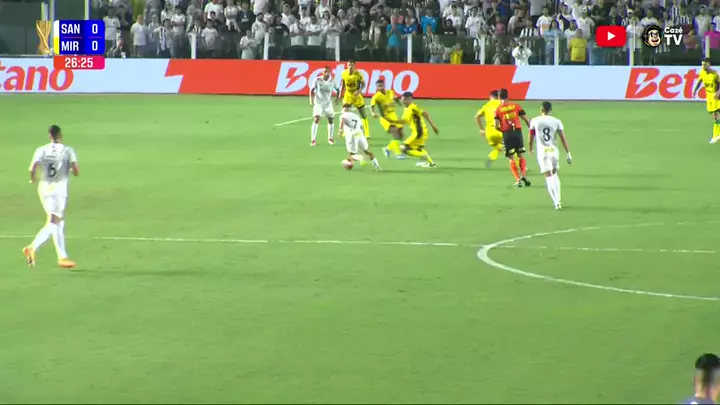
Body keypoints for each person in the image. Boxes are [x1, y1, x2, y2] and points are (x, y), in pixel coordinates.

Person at [23, 125, 79, 269]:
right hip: (59, 191)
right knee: (55, 221)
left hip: (44, 189)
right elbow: (76, 171)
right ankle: (34, 248)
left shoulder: (41, 150)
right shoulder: (68, 150)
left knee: (57, 222)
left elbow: (32, 168)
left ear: (50, 136)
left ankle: (60, 256)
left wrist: (32, 179)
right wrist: (69, 169)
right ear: (60, 135)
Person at [528, 102, 572, 210]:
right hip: (554, 152)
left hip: (543, 152)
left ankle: (556, 201)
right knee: (555, 175)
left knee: (548, 177)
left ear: (541, 110)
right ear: (550, 110)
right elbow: (563, 138)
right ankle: (559, 199)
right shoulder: (557, 121)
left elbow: (531, 136)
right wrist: (568, 153)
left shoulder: (535, 121)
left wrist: (530, 149)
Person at [494, 88, 531, 187]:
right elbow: (526, 120)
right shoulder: (516, 106)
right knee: (521, 155)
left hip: (507, 134)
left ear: (499, 97)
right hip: (517, 132)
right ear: (508, 96)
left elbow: (496, 126)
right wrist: (530, 129)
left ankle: (518, 180)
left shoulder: (498, 109)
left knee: (511, 158)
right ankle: (524, 175)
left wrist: (503, 131)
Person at [399, 92, 439, 168]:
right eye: (402, 99)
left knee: (403, 148)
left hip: (419, 132)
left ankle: (423, 156)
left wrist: (433, 125)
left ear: (409, 99)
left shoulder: (413, 107)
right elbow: (404, 120)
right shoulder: (407, 108)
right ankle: (432, 164)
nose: (402, 101)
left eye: (403, 99)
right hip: (421, 132)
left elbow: (425, 113)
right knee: (418, 148)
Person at [338, 105, 381, 171]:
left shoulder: (343, 115)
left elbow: (342, 120)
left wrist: (340, 130)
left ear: (343, 109)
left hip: (352, 136)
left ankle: (360, 159)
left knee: (352, 154)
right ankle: (377, 166)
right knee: (368, 151)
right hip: (360, 134)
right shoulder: (356, 116)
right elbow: (361, 127)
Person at [369, 78, 404, 158]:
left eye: (381, 85)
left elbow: (395, 98)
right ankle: (398, 153)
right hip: (385, 117)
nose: (380, 87)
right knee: (395, 133)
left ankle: (387, 148)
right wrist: (373, 113)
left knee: (401, 134)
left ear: (384, 85)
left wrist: (399, 102)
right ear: (376, 87)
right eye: (378, 86)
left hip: (393, 115)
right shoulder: (376, 96)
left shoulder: (390, 92)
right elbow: (372, 106)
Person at [338, 60, 371, 139]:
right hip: (348, 95)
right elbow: (342, 84)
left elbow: (363, 84)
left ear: (354, 66)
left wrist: (359, 91)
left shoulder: (358, 74)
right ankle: (345, 132)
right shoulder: (344, 73)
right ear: (347, 65)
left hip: (357, 96)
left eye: (352, 65)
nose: (350, 67)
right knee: (345, 114)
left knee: (363, 114)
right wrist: (340, 95)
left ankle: (367, 133)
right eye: (349, 65)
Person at [309, 67, 339, 147]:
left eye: (328, 72)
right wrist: (311, 101)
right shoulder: (317, 80)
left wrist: (337, 100)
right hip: (318, 103)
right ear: (323, 73)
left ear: (330, 73)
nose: (327, 73)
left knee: (331, 119)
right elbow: (311, 90)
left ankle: (330, 138)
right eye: (325, 72)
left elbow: (338, 89)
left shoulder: (332, 81)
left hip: (328, 104)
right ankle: (313, 140)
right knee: (316, 119)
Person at [693, 58, 720, 144]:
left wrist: (718, 93)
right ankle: (716, 135)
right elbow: (699, 81)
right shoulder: (702, 72)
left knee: (716, 115)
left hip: (716, 96)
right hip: (709, 97)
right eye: (702, 64)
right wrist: (695, 90)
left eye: (705, 64)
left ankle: (716, 135)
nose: (703, 66)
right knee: (715, 116)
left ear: (709, 64)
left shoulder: (715, 74)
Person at [475, 90, 503, 167]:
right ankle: (521, 166)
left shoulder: (486, 105)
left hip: (489, 133)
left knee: (498, 147)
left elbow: (477, 116)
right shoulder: (502, 104)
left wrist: (481, 129)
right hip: (500, 130)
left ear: (490, 97)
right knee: (512, 146)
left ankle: (492, 157)